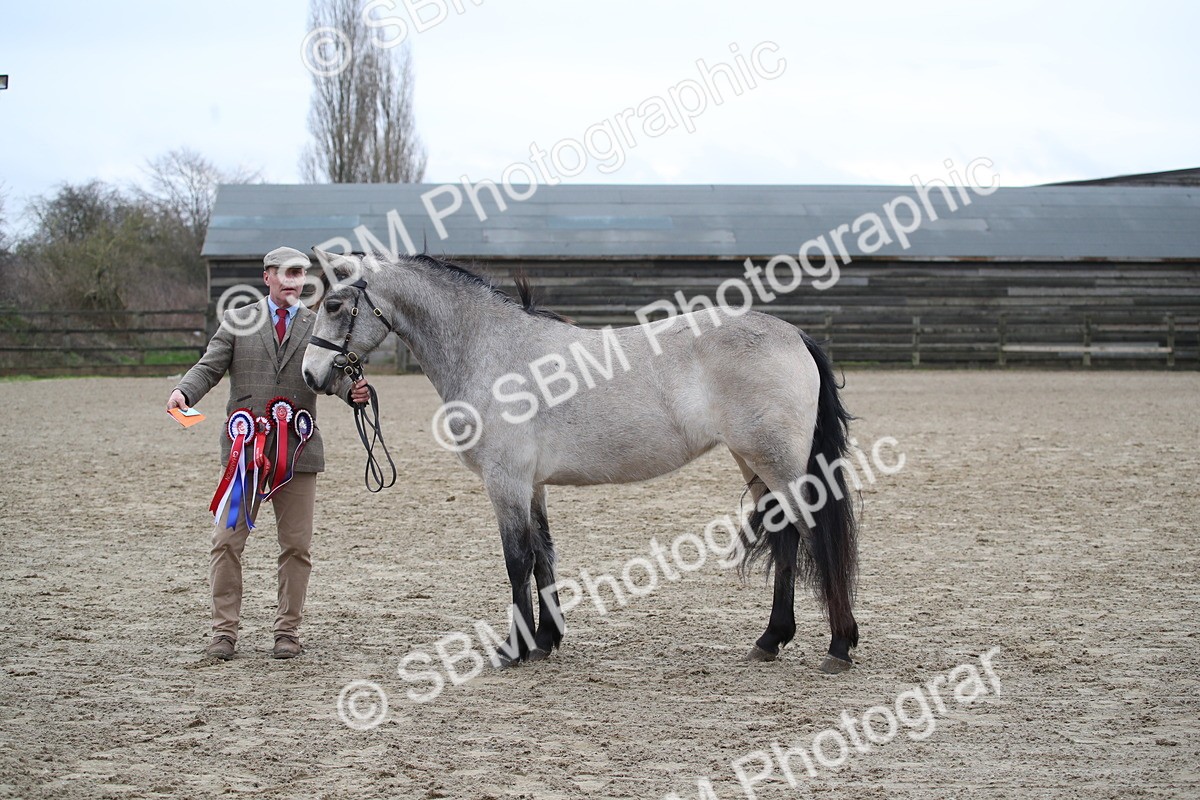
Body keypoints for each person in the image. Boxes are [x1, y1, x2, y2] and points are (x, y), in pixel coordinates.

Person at [167, 246, 369, 660]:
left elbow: (332, 376)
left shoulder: (318, 326)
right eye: (289, 272)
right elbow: (209, 367)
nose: (296, 280)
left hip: (299, 457)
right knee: (226, 542)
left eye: (302, 273)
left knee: (296, 547)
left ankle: (287, 632)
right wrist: (184, 391)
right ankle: (224, 633)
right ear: (268, 276)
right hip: (246, 458)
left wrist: (354, 392)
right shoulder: (239, 322)